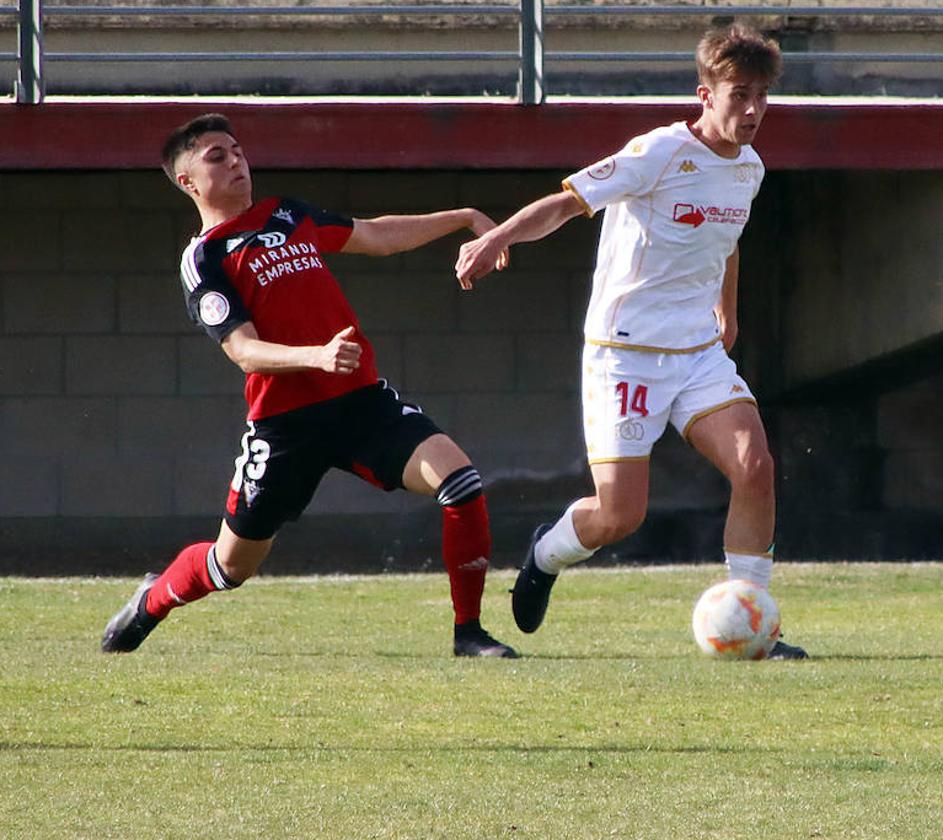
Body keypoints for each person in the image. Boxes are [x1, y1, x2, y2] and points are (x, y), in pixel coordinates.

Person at [101, 113, 518, 658]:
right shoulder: (204, 257)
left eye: (237, 150)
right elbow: (243, 350)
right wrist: (315, 357)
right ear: (188, 182)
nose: (235, 162)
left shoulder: (287, 214)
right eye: (216, 156)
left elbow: (374, 235)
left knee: (460, 482)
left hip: (360, 403)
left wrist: (463, 217)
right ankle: (152, 600)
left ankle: (469, 634)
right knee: (230, 567)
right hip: (285, 427)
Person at [455, 24, 807, 659]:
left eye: (762, 96)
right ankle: (545, 553)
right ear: (706, 94)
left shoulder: (749, 169)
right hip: (625, 354)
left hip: (697, 353)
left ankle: (756, 621)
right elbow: (566, 203)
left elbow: (726, 244)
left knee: (756, 468)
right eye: (739, 94)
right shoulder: (660, 153)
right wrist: (497, 237)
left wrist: (727, 310)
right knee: (620, 516)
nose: (752, 110)